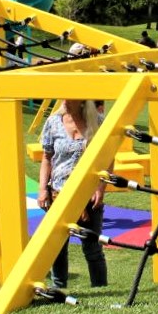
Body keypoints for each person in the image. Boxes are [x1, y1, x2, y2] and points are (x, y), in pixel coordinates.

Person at [39, 99, 109, 289]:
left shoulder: (98, 121)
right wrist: (43, 189)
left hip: (88, 194)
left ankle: (101, 287)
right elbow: (46, 157)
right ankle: (59, 288)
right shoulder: (53, 122)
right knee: (57, 247)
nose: (65, 101)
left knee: (92, 246)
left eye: (71, 97)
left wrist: (100, 188)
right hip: (58, 193)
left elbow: (108, 157)